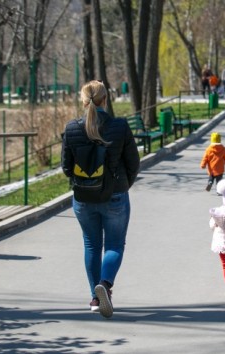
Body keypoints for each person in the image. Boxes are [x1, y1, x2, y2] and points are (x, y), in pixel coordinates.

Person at [61, 80, 140, 318]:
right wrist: (124, 185)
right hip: (115, 194)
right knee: (114, 245)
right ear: (105, 99)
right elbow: (133, 163)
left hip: (83, 198)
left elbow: (66, 167)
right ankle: (104, 285)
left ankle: (95, 299)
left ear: (83, 101)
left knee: (91, 245)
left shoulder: (71, 128)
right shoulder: (119, 126)